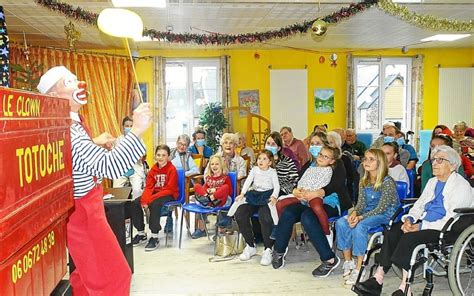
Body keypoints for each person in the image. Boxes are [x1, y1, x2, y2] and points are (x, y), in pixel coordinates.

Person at [37, 66, 152, 295]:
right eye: (69, 82)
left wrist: (96, 143)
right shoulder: (71, 130)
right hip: (84, 216)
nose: (79, 83)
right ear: (52, 97)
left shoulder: (68, 123)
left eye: (76, 78)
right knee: (114, 276)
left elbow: (78, 159)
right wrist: (137, 130)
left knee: (86, 275)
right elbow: (110, 167)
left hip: (82, 212)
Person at [354, 145, 473, 296]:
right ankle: (378, 277)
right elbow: (419, 205)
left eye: (440, 160)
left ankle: (405, 287)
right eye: (433, 160)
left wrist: (420, 226)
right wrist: (410, 219)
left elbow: (452, 218)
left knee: (409, 238)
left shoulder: (461, 186)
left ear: (453, 165)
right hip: (423, 223)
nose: (434, 163)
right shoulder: (433, 182)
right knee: (392, 231)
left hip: (444, 228)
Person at [272, 131, 352, 276]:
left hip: (330, 202)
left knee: (308, 217)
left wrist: (317, 193)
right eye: (312, 144)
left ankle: (329, 260)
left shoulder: (337, 161)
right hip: (306, 200)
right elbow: (298, 181)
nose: (315, 148)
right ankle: (278, 250)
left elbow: (337, 184)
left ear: (326, 145)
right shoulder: (310, 164)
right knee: (288, 212)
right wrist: (296, 191)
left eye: (318, 144)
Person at [336, 148, 400, 286]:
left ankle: (360, 268)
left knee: (361, 226)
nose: (366, 161)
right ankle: (348, 262)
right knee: (341, 222)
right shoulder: (364, 180)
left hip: (385, 214)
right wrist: (354, 213)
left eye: (371, 159)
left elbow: (381, 208)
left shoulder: (387, 182)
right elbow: (361, 205)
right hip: (368, 212)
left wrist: (359, 218)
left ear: (380, 163)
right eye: (365, 158)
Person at [228, 150, 280, 266]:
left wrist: (274, 196)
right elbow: (248, 182)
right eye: (259, 158)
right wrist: (242, 193)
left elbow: (277, 186)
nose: (261, 161)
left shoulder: (272, 172)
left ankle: (268, 249)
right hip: (254, 194)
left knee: (265, 217)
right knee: (240, 213)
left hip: (267, 196)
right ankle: (250, 245)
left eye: (264, 159)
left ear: (270, 162)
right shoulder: (255, 170)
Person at [276, 145, 341, 235]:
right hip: (302, 195)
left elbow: (323, 183)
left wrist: (309, 192)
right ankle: (284, 230)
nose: (321, 157)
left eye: (325, 157)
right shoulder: (310, 168)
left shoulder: (328, 170)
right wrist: (300, 191)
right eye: (320, 154)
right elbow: (302, 180)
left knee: (317, 207)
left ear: (332, 161)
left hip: (313, 195)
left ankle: (326, 231)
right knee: (280, 204)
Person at [131, 145, 178, 251]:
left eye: (164, 155)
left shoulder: (172, 169)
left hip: (169, 194)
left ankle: (154, 236)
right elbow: (149, 187)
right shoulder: (153, 170)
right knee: (135, 203)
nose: (160, 157)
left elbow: (170, 189)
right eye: (158, 155)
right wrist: (144, 201)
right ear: (155, 156)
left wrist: (150, 200)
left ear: (168, 157)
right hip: (155, 193)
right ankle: (141, 233)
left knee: (154, 204)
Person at [205, 133, 247, 228]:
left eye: (231, 143)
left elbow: (242, 174)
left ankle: (222, 227)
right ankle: (204, 228)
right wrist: (213, 180)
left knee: (225, 194)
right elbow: (206, 173)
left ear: (235, 145)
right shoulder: (216, 158)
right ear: (222, 145)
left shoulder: (240, 160)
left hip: (232, 189)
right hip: (214, 188)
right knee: (203, 194)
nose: (228, 145)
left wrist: (225, 178)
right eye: (225, 143)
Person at [191, 154, 232, 239]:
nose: (214, 166)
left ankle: (221, 231)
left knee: (225, 187)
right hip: (209, 201)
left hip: (221, 200)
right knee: (197, 186)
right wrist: (207, 193)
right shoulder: (209, 178)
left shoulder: (225, 177)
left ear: (221, 165)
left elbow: (229, 191)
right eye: (212, 164)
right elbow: (204, 188)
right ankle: (202, 229)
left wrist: (215, 191)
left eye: (217, 164)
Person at [113, 116, 148, 200]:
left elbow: (142, 156)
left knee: (137, 190)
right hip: (121, 169)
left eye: (131, 126)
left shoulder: (139, 140)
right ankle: (120, 210)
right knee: (116, 190)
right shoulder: (118, 140)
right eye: (127, 126)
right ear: (123, 127)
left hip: (135, 168)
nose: (129, 128)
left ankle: (137, 210)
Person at [264, 132, 299, 196]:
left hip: (280, 193)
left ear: (279, 148)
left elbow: (294, 181)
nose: (270, 146)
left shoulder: (287, 162)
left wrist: (281, 190)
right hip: (260, 191)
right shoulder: (258, 161)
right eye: (268, 143)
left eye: (273, 144)